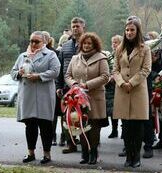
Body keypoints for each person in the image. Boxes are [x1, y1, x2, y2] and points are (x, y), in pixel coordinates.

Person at [11, 31, 60, 164]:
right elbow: (13, 72)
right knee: (30, 126)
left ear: (44, 42)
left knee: (45, 126)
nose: (33, 44)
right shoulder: (23, 55)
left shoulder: (50, 55)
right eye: (31, 41)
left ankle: (47, 154)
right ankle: (30, 153)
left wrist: (39, 76)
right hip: (27, 95)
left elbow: (55, 71)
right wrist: (19, 73)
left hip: (43, 95)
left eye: (36, 41)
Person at [65, 32, 109, 164]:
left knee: (94, 126)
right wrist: (74, 85)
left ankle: (93, 153)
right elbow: (67, 75)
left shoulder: (101, 58)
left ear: (95, 44)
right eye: (84, 43)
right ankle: (84, 153)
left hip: (95, 98)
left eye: (89, 43)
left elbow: (105, 77)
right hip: (78, 99)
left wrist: (87, 85)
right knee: (82, 126)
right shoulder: (75, 58)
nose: (87, 45)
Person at [113, 19, 152, 168]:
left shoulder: (145, 49)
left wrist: (132, 83)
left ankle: (136, 157)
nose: (129, 33)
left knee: (137, 127)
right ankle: (128, 156)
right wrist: (122, 83)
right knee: (126, 127)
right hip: (122, 90)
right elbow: (115, 69)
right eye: (127, 30)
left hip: (137, 91)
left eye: (132, 30)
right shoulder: (119, 48)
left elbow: (146, 70)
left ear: (137, 31)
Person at [56, 17, 86, 154]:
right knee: (67, 116)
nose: (75, 28)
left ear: (83, 27)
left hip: (84, 87)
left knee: (84, 116)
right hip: (68, 87)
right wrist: (59, 86)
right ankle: (71, 144)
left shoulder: (89, 43)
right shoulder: (66, 46)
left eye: (77, 26)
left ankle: (86, 143)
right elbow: (62, 67)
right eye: (73, 26)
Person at [106, 35, 122, 138]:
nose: (114, 45)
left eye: (116, 42)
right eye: (113, 43)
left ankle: (124, 130)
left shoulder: (123, 55)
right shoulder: (110, 56)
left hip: (120, 85)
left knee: (122, 109)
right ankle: (114, 129)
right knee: (112, 110)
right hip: (110, 87)